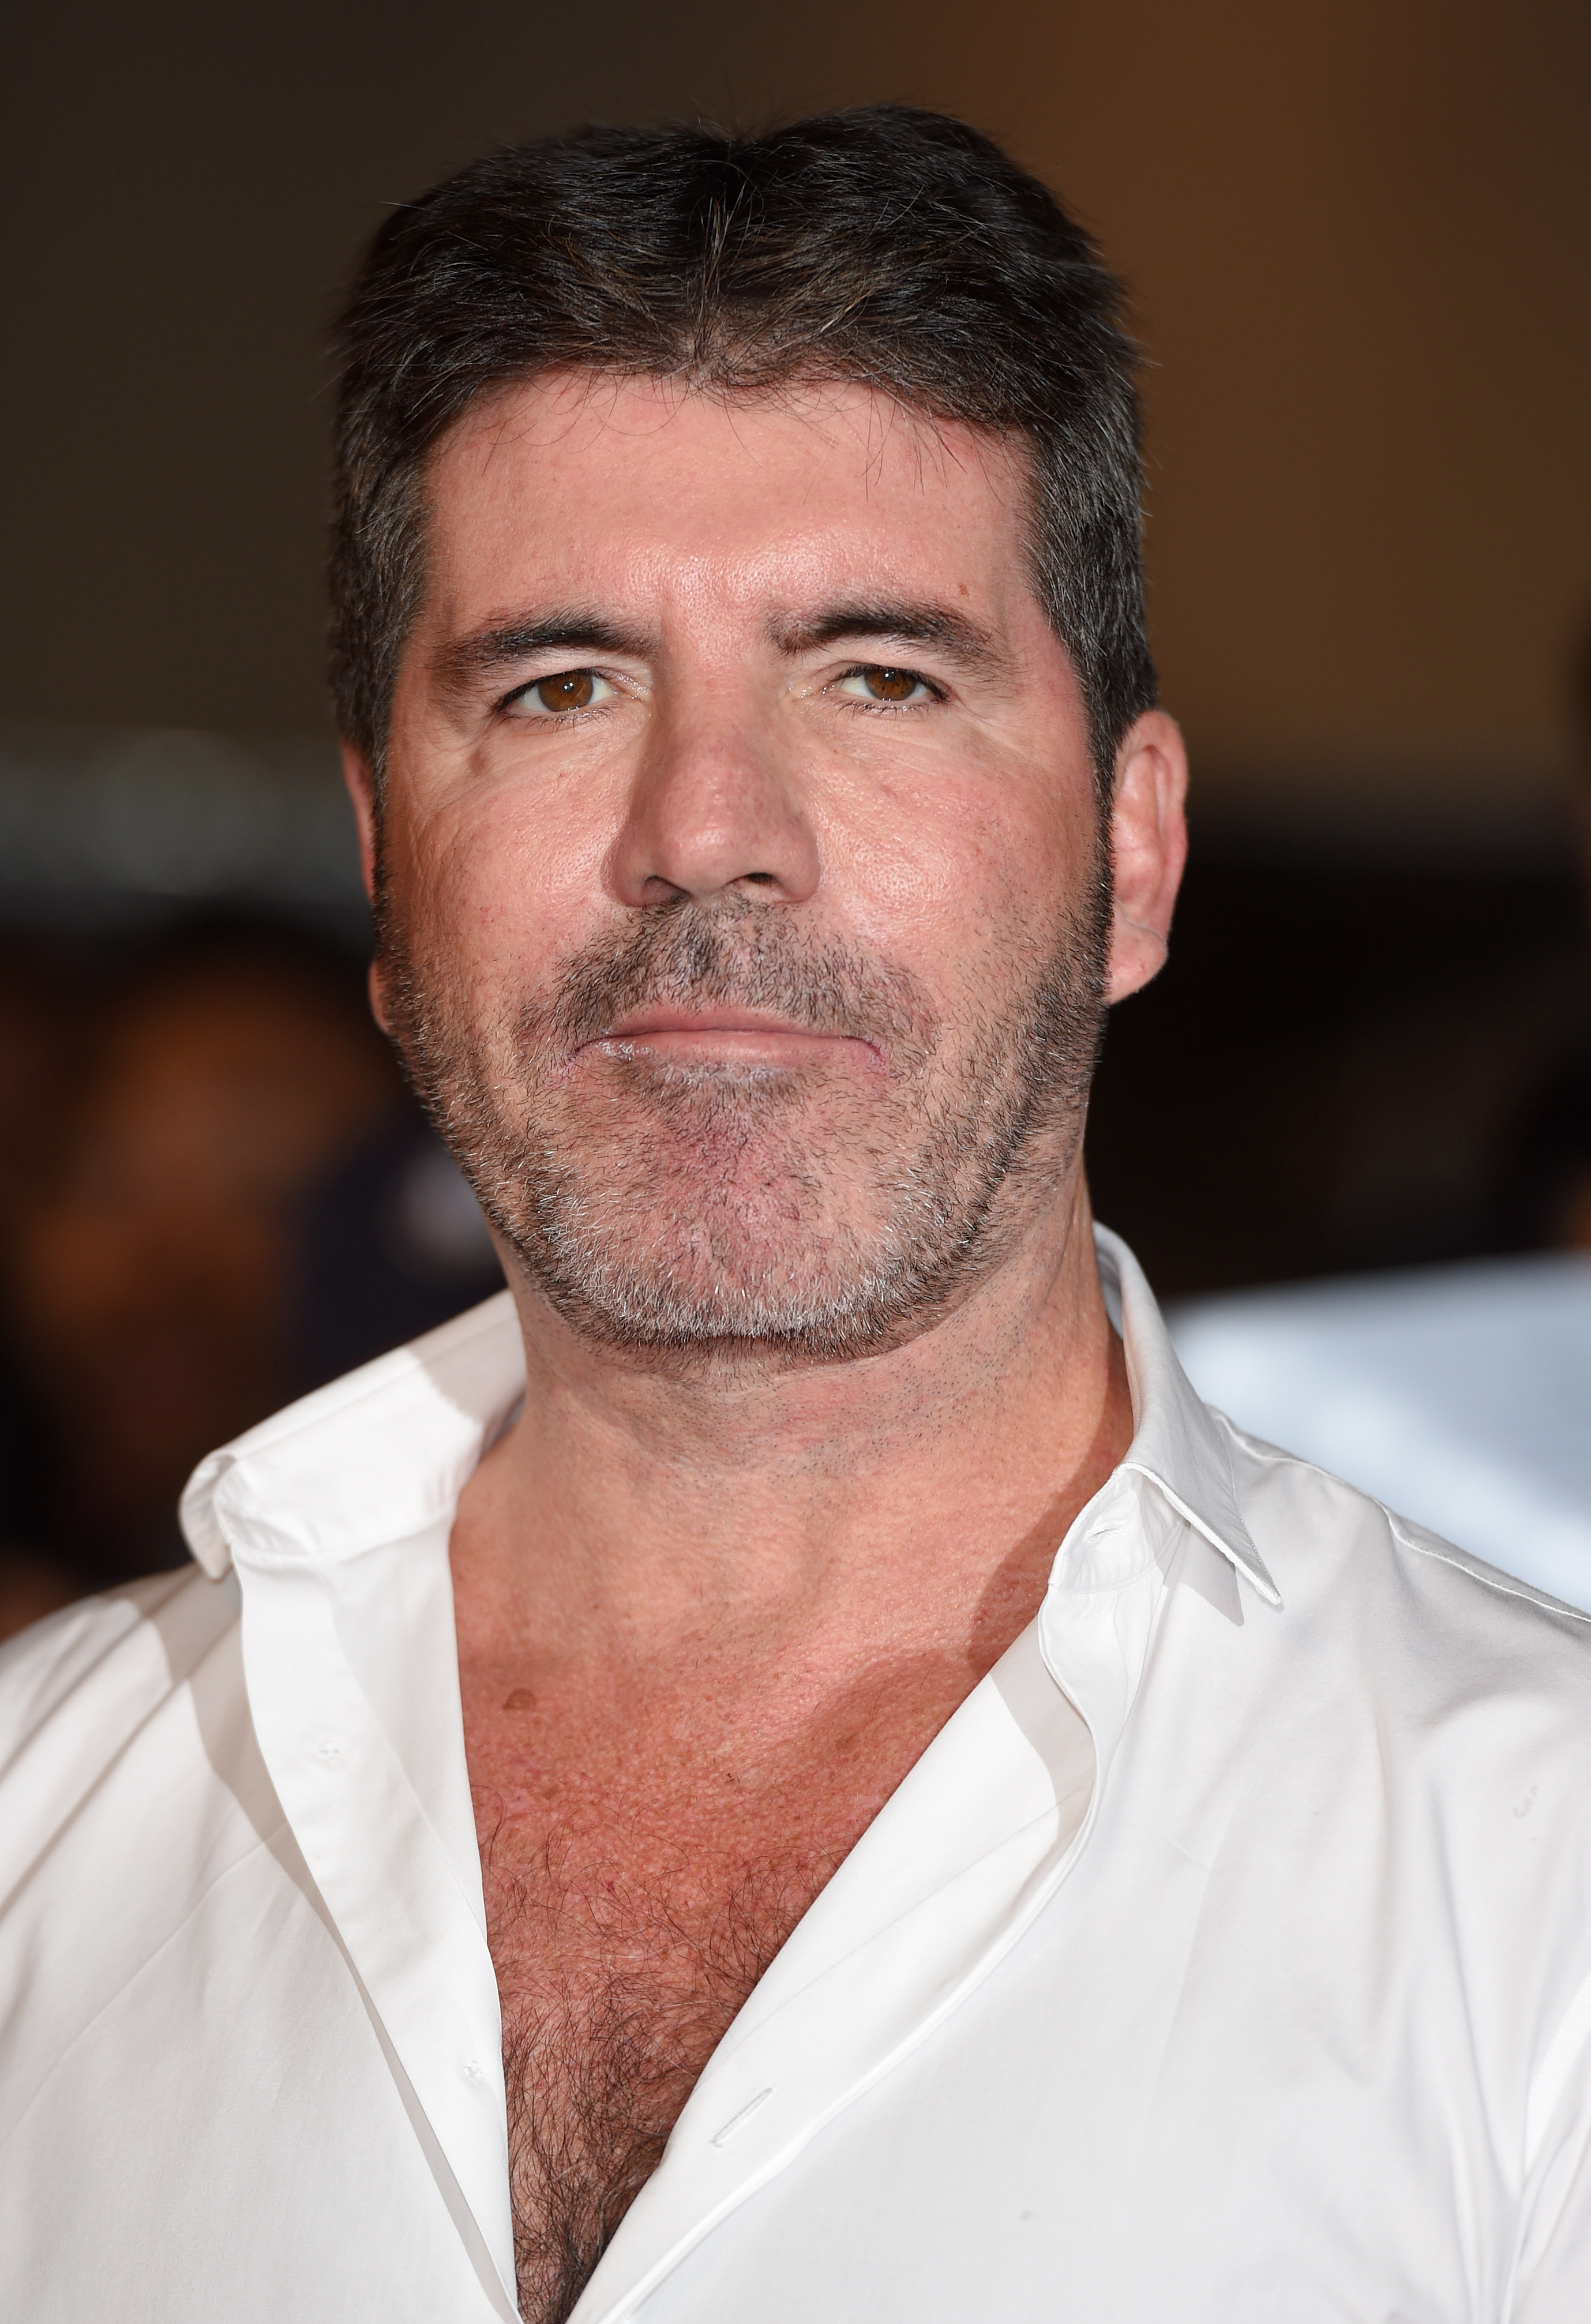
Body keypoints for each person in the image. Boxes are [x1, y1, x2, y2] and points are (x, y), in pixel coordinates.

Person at [1, 107, 1588, 2324]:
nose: (709, 834)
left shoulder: (1544, 1893)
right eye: (561, 688)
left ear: (1131, 856)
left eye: (878, 677)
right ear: (385, 869)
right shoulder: (40, 1824)